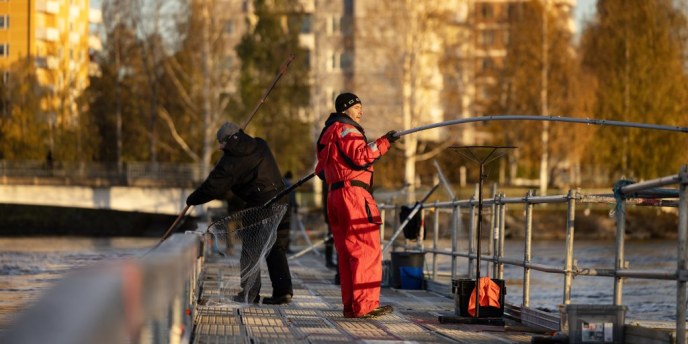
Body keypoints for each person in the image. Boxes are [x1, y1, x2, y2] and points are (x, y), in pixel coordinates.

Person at [186, 122, 293, 305]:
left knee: (250, 249)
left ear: (228, 140)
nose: (219, 147)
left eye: (221, 142)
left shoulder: (230, 160)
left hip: (261, 204)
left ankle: (249, 294)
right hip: (282, 198)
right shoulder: (260, 144)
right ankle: (283, 291)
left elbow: (213, 186)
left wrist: (191, 199)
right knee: (275, 246)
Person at [314, 92, 399, 318]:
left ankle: (351, 306)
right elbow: (361, 156)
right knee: (366, 250)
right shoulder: (347, 130)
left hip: (334, 197)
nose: (361, 111)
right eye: (356, 107)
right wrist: (384, 142)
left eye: (361, 106)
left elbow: (320, 170)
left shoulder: (327, 134)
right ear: (344, 109)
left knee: (347, 253)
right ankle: (366, 305)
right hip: (354, 197)